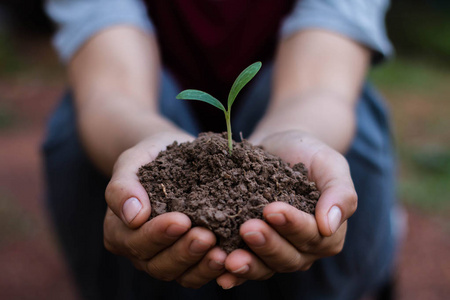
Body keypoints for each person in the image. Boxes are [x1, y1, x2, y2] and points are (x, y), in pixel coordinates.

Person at [43, 0, 398, 299]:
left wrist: (301, 133)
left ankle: (358, 280)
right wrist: (145, 142)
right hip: (153, 105)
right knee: (72, 131)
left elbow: (322, 83)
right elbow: (110, 88)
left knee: (358, 123)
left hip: (280, 102)